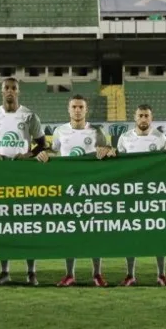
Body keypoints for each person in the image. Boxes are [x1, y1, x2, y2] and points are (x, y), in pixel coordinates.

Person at [36, 95, 114, 287]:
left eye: (81, 107)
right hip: (68, 189)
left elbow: (107, 150)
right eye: (74, 107)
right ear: (68, 109)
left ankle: (97, 273)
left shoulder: (96, 131)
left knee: (94, 231)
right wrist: (45, 154)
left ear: (86, 110)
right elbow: (54, 152)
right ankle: (69, 274)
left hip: (91, 189)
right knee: (70, 232)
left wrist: (107, 150)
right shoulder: (60, 131)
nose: (77, 110)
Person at [0, 78, 46, 286]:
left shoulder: (29, 115)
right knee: (4, 225)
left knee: (27, 224)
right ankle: (4, 271)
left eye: (13, 89)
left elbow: (42, 146)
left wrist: (26, 156)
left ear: (19, 92)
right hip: (1, 177)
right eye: (6, 88)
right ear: (1, 91)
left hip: (25, 177)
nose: (10, 92)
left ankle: (31, 272)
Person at [116, 104, 166, 286]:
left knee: (158, 235)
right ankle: (130, 274)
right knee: (131, 235)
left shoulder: (160, 138)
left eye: (146, 116)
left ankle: (161, 274)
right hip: (132, 196)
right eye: (140, 115)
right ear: (135, 117)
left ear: (151, 118)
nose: (143, 119)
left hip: (154, 196)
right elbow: (118, 167)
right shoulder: (125, 139)